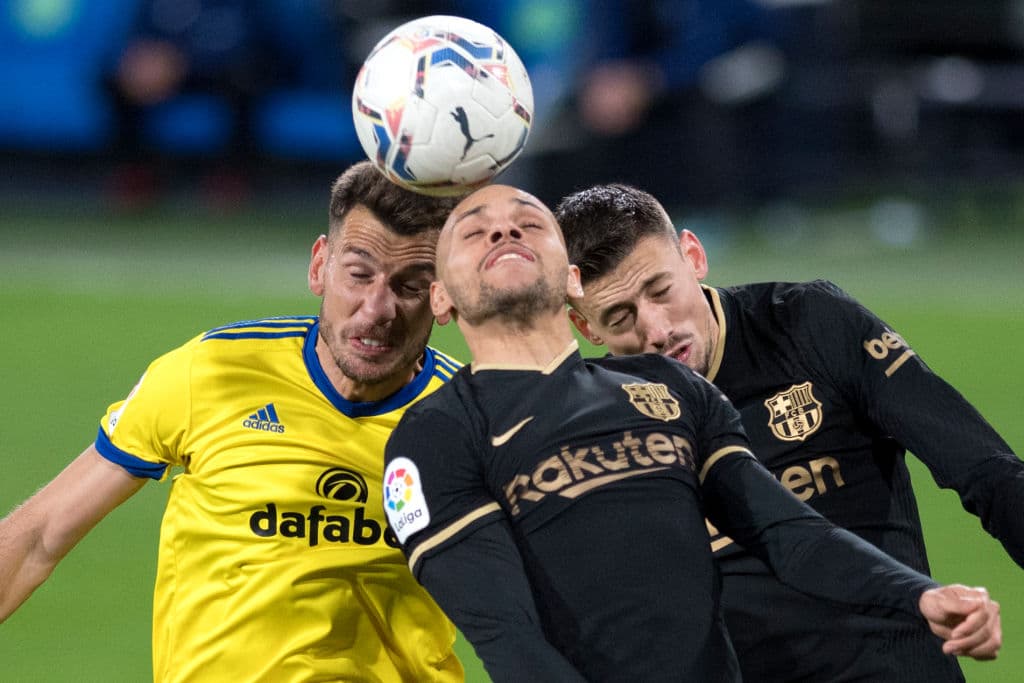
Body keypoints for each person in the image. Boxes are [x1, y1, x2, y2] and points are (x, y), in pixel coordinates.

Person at [381, 183, 1001, 682]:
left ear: (568, 278)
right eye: (474, 231)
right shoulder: (433, 438)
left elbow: (788, 532)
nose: (504, 232)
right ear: (441, 300)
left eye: (528, 222)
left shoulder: (671, 388)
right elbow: (509, 638)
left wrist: (918, 596)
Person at [0, 161, 465, 682]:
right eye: (358, 275)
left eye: (410, 286)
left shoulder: (472, 419)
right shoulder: (213, 372)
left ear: (443, 295)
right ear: (319, 266)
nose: (377, 309)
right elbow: (41, 535)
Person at [555, 182, 1024, 682]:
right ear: (587, 329)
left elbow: (988, 473)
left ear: (693, 256)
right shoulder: (597, 425)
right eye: (620, 317)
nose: (656, 330)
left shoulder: (811, 326)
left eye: (660, 291)